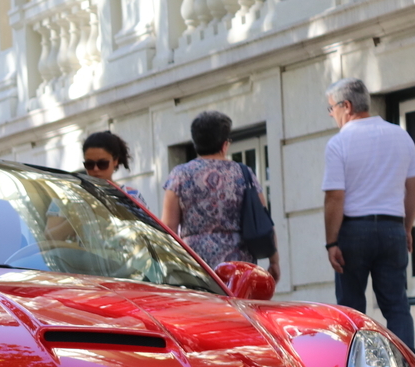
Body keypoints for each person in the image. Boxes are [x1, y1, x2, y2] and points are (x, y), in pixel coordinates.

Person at [322, 78, 415, 353]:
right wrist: (407, 228)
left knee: (351, 309)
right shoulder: (400, 135)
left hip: (354, 231)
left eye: (331, 108)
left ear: (347, 106)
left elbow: (334, 197)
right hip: (392, 229)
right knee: (398, 306)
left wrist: (331, 242)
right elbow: (414, 186)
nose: (332, 115)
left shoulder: (339, 143)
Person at [161, 111, 281, 282]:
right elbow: (264, 220)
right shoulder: (243, 173)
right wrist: (274, 260)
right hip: (239, 266)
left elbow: (168, 229)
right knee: (238, 308)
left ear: (196, 142)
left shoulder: (179, 175)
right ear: (225, 144)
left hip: (196, 267)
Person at [82, 131, 144, 203]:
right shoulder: (78, 196)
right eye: (90, 164)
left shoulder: (132, 197)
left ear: (115, 161)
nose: (96, 169)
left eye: (102, 163)